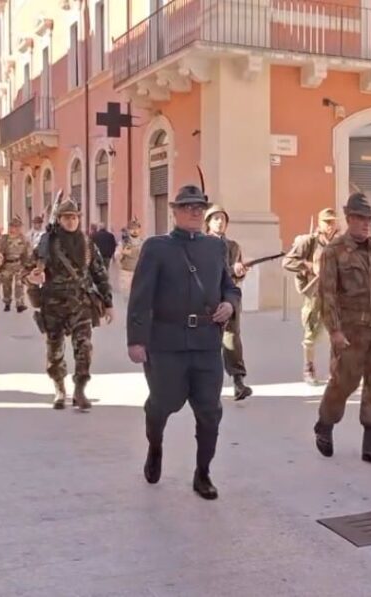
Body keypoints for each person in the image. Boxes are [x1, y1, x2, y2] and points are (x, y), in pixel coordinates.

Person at [127, 185, 240, 500]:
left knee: (210, 411)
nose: (194, 212)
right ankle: (155, 447)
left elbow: (229, 286)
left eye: (199, 208)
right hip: (166, 344)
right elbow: (140, 298)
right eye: (188, 207)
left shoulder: (215, 248)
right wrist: (136, 340)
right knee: (163, 404)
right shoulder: (156, 247)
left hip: (206, 344)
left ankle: (203, 473)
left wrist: (230, 304)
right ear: (174, 211)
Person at [313, 193, 371, 467]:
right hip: (350, 331)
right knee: (342, 384)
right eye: (361, 218)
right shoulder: (334, 252)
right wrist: (335, 332)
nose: (366, 224)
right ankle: (325, 424)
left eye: (369, 219)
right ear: (349, 219)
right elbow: (326, 295)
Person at [26, 200, 114, 411]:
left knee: (84, 347)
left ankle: (80, 389)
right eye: (67, 217)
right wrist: (32, 276)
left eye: (74, 217)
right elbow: (28, 270)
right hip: (53, 303)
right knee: (55, 349)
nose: (72, 221)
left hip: (81, 303)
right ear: (59, 220)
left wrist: (108, 303)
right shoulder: (46, 243)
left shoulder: (87, 244)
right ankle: (59, 389)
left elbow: (99, 274)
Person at [283, 208, 341, 384]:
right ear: (320, 223)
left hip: (335, 293)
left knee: (337, 332)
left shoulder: (341, 242)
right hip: (315, 292)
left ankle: (335, 370)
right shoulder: (309, 242)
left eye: (333, 222)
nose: (330, 226)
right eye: (327, 222)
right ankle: (308, 367)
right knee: (310, 333)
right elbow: (287, 262)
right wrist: (309, 266)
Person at [204, 204, 252, 400]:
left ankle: (238, 381)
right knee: (208, 339)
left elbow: (235, 278)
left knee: (232, 339)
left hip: (229, 298)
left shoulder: (233, 246)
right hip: (207, 298)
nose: (220, 222)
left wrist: (239, 271)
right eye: (215, 218)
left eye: (223, 219)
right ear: (208, 223)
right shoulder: (201, 244)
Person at [0, 216, 30, 313]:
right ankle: (7, 302)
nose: (15, 229)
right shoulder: (4, 239)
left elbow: (27, 253)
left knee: (19, 285)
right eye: (13, 226)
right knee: (6, 285)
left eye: (17, 227)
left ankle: (19, 304)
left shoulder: (24, 239)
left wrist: (27, 266)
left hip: (18, 264)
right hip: (7, 264)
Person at [118, 219, 144, 296]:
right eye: (132, 229)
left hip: (140, 273)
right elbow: (117, 256)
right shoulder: (123, 243)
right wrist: (122, 253)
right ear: (129, 230)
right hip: (126, 273)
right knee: (126, 296)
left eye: (136, 228)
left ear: (139, 230)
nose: (134, 231)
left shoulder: (144, 243)